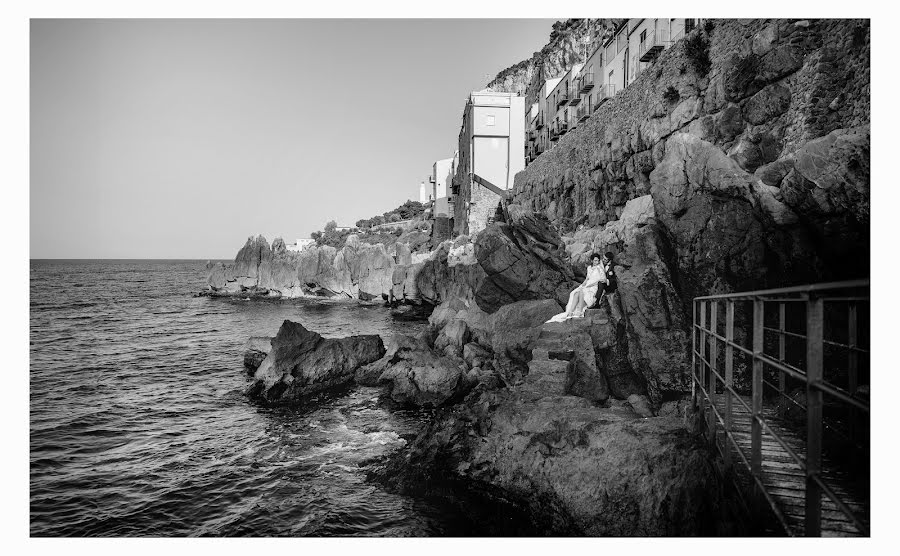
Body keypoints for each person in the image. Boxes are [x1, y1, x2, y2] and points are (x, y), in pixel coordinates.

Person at [545, 253, 607, 323]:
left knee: (582, 292)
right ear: (592, 260)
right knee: (576, 293)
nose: (597, 262)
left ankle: (580, 311)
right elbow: (587, 279)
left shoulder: (599, 268)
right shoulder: (589, 268)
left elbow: (602, 279)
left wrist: (590, 284)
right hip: (588, 285)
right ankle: (570, 311)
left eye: (598, 261)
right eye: (595, 261)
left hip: (594, 287)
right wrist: (582, 285)